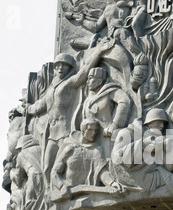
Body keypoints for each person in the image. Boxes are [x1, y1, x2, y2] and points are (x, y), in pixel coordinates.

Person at [26, 40, 113, 186]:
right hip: (52, 135)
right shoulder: (51, 89)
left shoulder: (70, 83)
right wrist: (26, 109)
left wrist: (98, 51)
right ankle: (53, 193)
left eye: (64, 65)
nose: (60, 68)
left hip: (65, 133)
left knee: (65, 165)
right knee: (47, 166)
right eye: (57, 65)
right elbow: (40, 106)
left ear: (70, 67)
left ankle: (71, 188)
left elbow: (84, 72)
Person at [51, 118, 120, 201]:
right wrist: (61, 186)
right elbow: (54, 172)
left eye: (96, 130)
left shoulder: (97, 150)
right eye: (90, 130)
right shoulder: (70, 148)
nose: (93, 133)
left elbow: (101, 171)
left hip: (89, 195)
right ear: (83, 130)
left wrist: (111, 183)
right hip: (70, 194)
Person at [82, 67, 132, 138]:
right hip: (92, 139)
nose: (87, 82)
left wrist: (115, 125)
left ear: (100, 80)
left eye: (90, 78)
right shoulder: (88, 99)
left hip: (108, 135)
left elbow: (125, 100)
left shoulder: (110, 90)